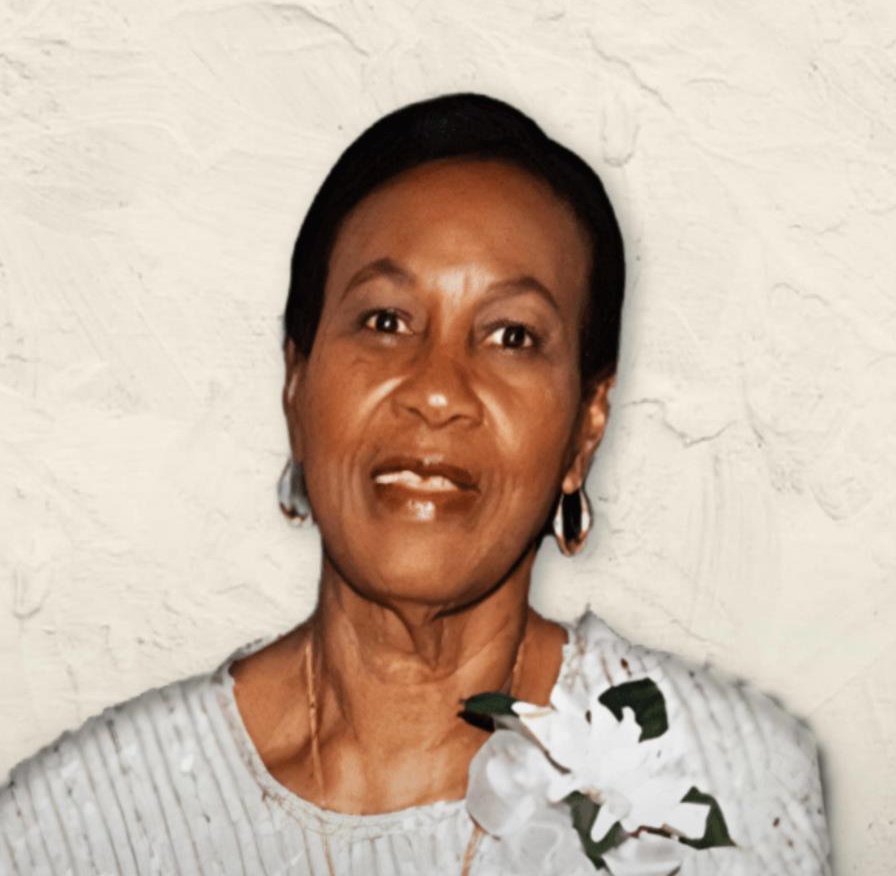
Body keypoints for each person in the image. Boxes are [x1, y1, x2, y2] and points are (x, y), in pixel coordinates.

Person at [0, 93, 832, 875]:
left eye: (511, 336)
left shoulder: (727, 778)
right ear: (297, 383)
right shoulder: (78, 827)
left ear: (586, 425)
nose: (437, 391)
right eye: (386, 320)